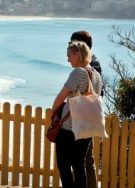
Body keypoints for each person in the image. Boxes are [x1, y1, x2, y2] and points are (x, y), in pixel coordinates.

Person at [51, 41, 103, 188]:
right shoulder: (97, 74)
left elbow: (61, 97)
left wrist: (53, 113)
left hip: (69, 127)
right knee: (79, 165)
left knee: (63, 164)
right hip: (87, 128)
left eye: (69, 56)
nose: (67, 59)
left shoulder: (78, 72)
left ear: (77, 54)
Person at [70, 31, 102, 188]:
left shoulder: (89, 66)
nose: (70, 48)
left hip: (84, 119)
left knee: (83, 160)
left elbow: (88, 94)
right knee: (87, 160)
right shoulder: (92, 63)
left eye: (72, 44)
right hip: (89, 118)